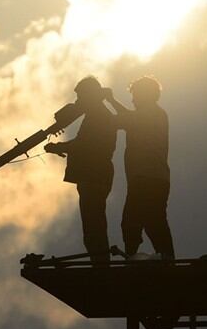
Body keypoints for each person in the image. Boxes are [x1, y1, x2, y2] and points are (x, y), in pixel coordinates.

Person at [45, 76, 117, 263]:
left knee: (93, 226)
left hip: (94, 174)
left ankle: (100, 265)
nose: (78, 101)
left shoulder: (98, 116)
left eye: (81, 96)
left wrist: (58, 147)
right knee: (94, 225)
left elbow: (83, 144)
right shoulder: (98, 115)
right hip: (96, 173)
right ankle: (100, 263)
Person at [105, 76, 175, 261]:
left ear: (145, 95)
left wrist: (100, 107)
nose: (133, 100)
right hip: (156, 178)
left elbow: (120, 120)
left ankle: (134, 257)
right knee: (153, 221)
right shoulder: (155, 114)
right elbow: (128, 118)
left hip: (146, 178)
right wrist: (111, 100)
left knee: (132, 222)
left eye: (135, 95)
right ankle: (165, 258)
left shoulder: (148, 115)